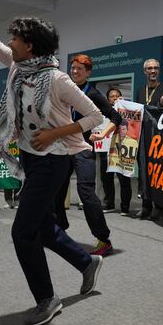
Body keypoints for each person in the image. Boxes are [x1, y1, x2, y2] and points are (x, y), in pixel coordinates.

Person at [0, 18, 104, 325]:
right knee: (43, 227)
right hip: (32, 159)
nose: (11, 43)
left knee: (22, 232)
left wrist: (54, 133)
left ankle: (47, 298)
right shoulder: (20, 68)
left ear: (30, 45)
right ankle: (87, 262)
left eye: (15, 39)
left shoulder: (58, 79)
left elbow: (94, 116)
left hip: (54, 159)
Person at [53, 54, 123, 257]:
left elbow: (115, 116)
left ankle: (104, 239)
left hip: (83, 149)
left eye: (79, 69)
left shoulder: (92, 93)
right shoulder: (65, 90)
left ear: (88, 72)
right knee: (57, 191)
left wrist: (103, 133)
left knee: (86, 193)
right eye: (73, 68)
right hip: (63, 148)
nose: (75, 71)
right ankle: (60, 230)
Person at [135, 58, 163, 221]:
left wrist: (160, 102)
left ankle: (159, 207)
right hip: (142, 137)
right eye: (149, 68)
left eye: (156, 68)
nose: (153, 71)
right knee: (143, 172)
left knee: (158, 172)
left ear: (159, 70)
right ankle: (145, 206)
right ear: (145, 72)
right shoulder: (140, 91)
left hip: (158, 139)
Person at [100, 87, 132, 215]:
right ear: (107, 100)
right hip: (105, 149)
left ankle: (125, 207)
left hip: (121, 150)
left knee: (124, 179)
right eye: (112, 96)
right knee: (106, 178)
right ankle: (109, 204)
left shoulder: (127, 110)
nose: (114, 98)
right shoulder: (102, 111)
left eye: (117, 95)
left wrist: (125, 105)